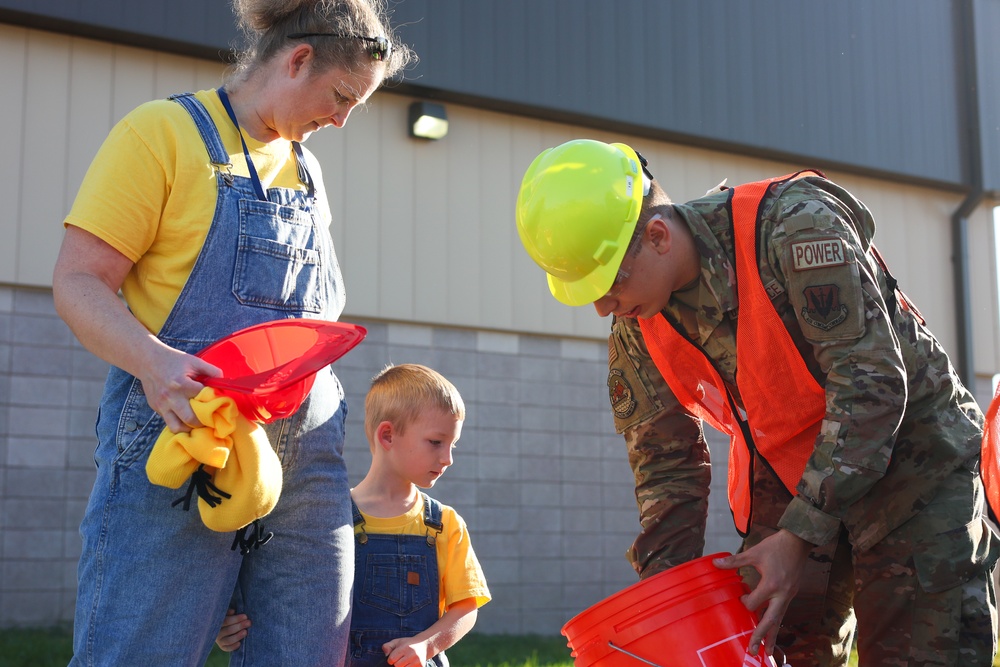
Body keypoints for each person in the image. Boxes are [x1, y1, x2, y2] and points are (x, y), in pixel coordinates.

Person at [514, 139, 999, 666]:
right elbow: (665, 465)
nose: (603, 305)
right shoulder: (637, 320)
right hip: (795, 480)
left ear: (657, 236)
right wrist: (663, 611)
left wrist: (798, 536)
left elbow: (873, 388)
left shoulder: (794, 228)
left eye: (609, 281)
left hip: (915, 471)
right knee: (772, 646)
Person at [51, 1, 414, 664]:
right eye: (341, 97)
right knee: (140, 650)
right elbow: (77, 281)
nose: (342, 119)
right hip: (186, 435)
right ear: (297, 59)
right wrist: (155, 362)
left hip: (306, 460)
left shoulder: (307, 170)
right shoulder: (162, 133)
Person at [215, 363, 491, 666]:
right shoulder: (330, 519)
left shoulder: (443, 524)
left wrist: (427, 645)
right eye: (436, 442)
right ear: (387, 435)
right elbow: (287, 598)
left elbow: (466, 608)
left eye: (453, 445)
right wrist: (227, 625)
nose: (448, 458)